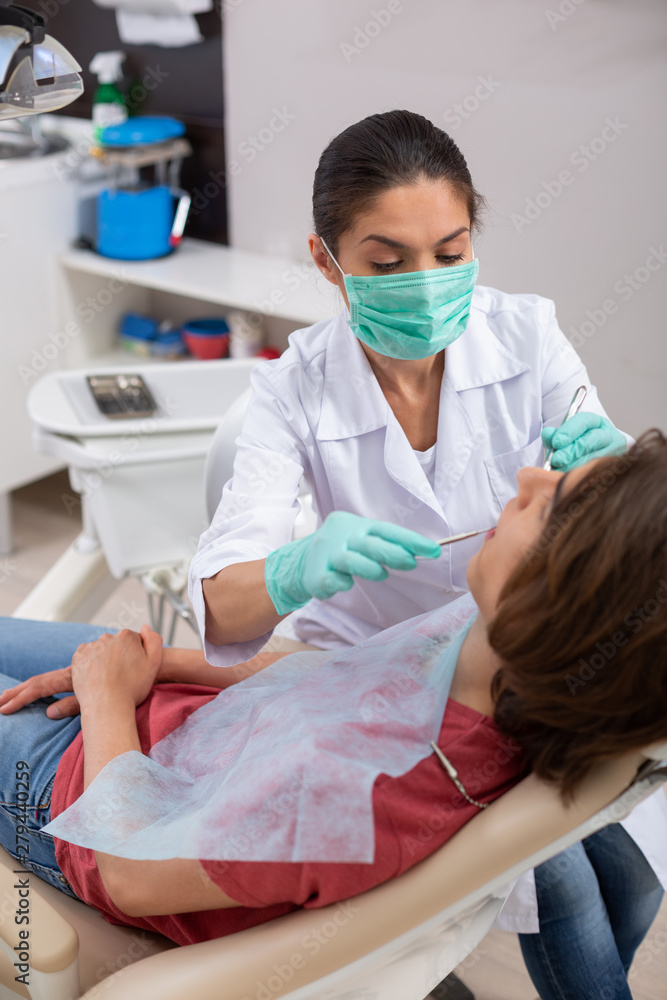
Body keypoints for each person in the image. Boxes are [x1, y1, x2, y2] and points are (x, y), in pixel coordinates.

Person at [1, 437, 665, 1000]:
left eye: (551, 505)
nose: (528, 475)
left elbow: (130, 874)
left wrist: (106, 698)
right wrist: (154, 666)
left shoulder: (358, 790)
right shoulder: (487, 653)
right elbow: (322, 678)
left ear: (568, 605)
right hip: (170, 729)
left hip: (78, 805)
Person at [190, 108, 628, 670]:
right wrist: (290, 573)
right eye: (388, 263)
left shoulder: (530, 338)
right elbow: (222, 611)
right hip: (358, 656)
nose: (425, 287)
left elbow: (616, 525)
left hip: (512, 642)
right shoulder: (291, 388)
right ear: (326, 260)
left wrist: (613, 475)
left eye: (450, 256)